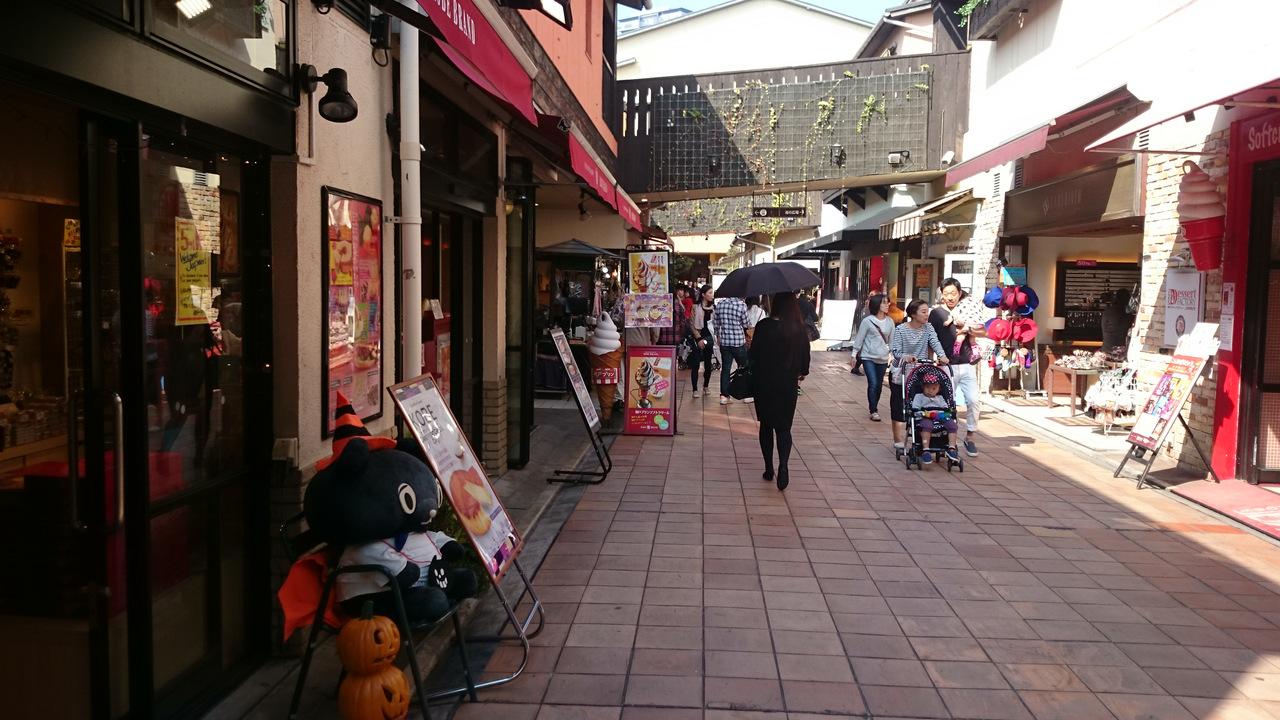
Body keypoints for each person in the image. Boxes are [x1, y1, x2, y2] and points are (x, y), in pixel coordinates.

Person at [749, 291, 811, 491]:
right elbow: (805, 363)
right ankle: (783, 465)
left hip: (763, 384)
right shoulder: (798, 329)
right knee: (784, 428)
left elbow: (753, 356)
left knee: (766, 426)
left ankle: (769, 468)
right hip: (787, 385)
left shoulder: (763, 326)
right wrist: (799, 373)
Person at [930, 278, 984, 457]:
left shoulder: (968, 308)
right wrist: (930, 362)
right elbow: (931, 338)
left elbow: (983, 331)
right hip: (946, 365)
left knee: (973, 400)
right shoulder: (937, 313)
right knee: (946, 402)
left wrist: (968, 330)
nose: (950, 297)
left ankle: (970, 437)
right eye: (946, 294)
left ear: (960, 293)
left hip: (967, 364)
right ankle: (947, 437)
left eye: (953, 293)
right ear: (942, 294)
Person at [890, 299, 948, 453]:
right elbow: (895, 351)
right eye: (923, 312)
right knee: (899, 405)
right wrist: (906, 357)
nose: (926, 314)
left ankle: (922, 437)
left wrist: (942, 356)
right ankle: (897, 439)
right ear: (913, 314)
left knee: (920, 404)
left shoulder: (929, 328)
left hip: (919, 371)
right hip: (902, 370)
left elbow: (935, 342)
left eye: (927, 311)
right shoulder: (901, 329)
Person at [851, 293, 893, 421]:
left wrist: (892, 355)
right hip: (868, 357)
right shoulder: (867, 321)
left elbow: (892, 341)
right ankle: (873, 410)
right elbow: (860, 338)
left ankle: (874, 406)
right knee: (873, 383)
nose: (887, 305)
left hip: (883, 357)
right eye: (884, 302)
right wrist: (854, 354)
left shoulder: (890, 322)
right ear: (877, 304)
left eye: (887, 302)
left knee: (879, 385)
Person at [911, 378, 961, 464]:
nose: (930, 390)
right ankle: (926, 449)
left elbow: (945, 409)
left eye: (934, 388)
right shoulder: (919, 397)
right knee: (927, 426)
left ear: (939, 389)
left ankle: (952, 448)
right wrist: (924, 413)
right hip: (925, 417)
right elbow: (915, 409)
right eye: (927, 387)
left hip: (939, 417)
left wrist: (945, 414)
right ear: (923, 387)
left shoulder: (940, 398)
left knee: (952, 425)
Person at [714, 292, 751, 405]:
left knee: (726, 369)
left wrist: (718, 336)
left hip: (725, 342)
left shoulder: (720, 304)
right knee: (745, 367)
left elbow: (716, 323)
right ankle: (746, 394)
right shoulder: (741, 305)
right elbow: (746, 324)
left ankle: (724, 396)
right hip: (738, 342)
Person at [689, 284, 716, 398]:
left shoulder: (714, 308)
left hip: (709, 338)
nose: (712, 295)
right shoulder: (695, 307)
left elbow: (716, 324)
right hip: (698, 337)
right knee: (695, 364)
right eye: (710, 293)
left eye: (712, 292)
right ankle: (695, 389)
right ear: (703, 295)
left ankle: (706, 386)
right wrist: (698, 338)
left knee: (708, 364)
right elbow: (691, 324)